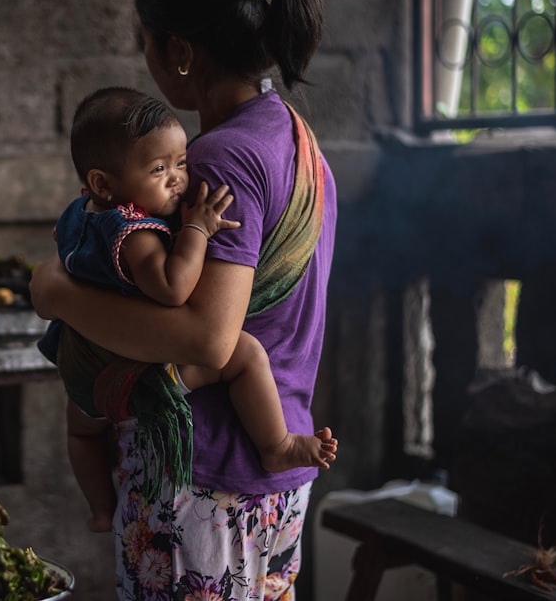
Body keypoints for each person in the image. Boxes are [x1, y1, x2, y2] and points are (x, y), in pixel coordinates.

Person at [29, 0, 338, 599]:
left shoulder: (223, 158)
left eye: (147, 40)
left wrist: (56, 292)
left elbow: (207, 337)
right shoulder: (295, 137)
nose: (146, 58)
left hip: (205, 480)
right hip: (272, 467)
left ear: (180, 52)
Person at [39, 86, 335, 534]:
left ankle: (99, 508)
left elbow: (63, 268)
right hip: (134, 373)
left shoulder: (80, 213)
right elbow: (173, 289)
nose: (179, 178)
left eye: (181, 163)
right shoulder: (134, 233)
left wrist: (51, 288)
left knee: (81, 432)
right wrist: (196, 228)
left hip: (86, 367)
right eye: (159, 169)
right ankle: (275, 442)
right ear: (104, 183)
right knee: (247, 355)